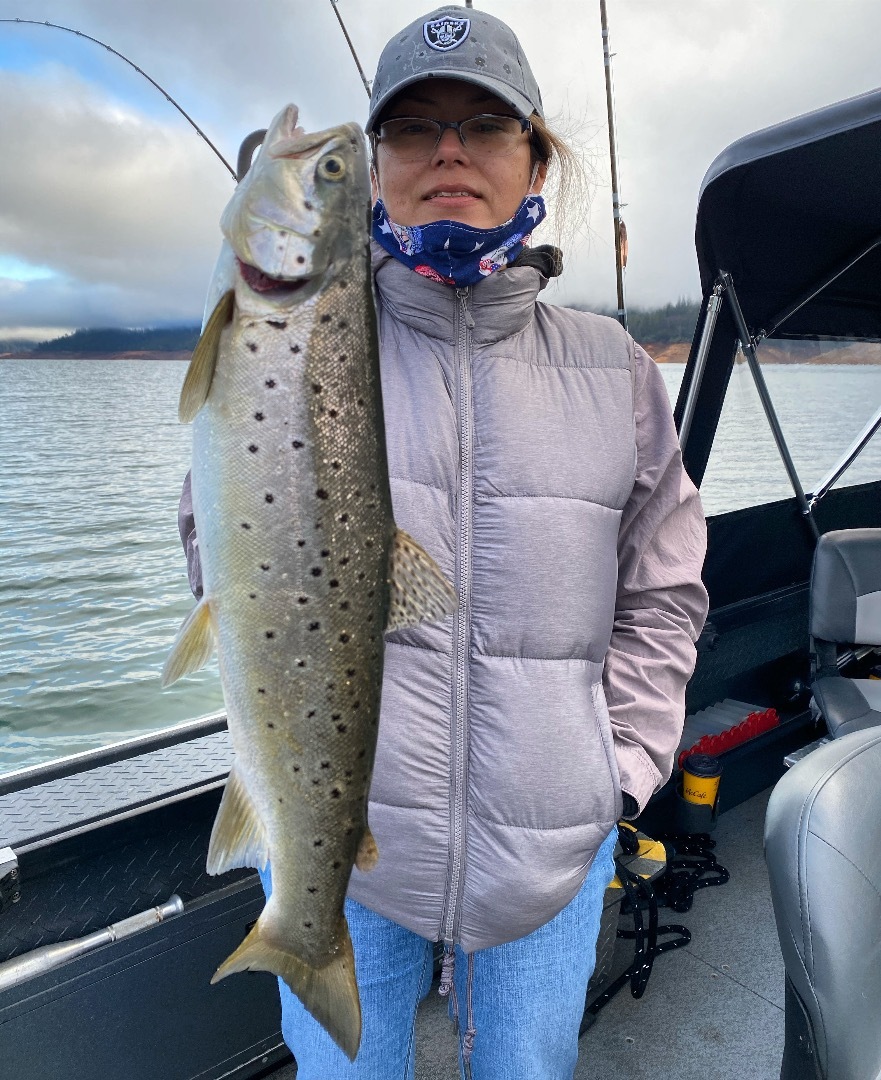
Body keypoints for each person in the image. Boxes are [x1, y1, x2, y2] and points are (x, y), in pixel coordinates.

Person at [178, 5, 708, 1077]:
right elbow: (219, 536)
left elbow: (663, 590)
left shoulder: (614, 371)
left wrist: (616, 772)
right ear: (375, 166)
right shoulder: (299, 330)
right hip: (342, 850)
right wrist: (254, 292)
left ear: (532, 153)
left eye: (484, 123)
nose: (450, 151)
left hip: (547, 858)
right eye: (414, 129)